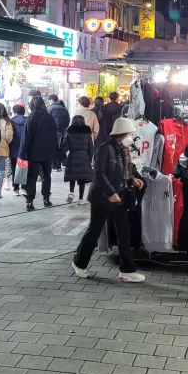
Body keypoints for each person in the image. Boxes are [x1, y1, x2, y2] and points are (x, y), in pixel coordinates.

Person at [72, 117, 145, 283]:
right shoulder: (105, 149)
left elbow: (124, 171)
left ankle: (127, 270)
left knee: (124, 232)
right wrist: (111, 192)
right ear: (120, 133)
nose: (129, 136)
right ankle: (79, 263)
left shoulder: (123, 150)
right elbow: (99, 173)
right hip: (102, 197)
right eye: (127, 133)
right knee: (94, 231)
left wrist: (132, 180)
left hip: (119, 197)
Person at [19, 96, 59, 210]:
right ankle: (46, 199)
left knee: (32, 177)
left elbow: (25, 138)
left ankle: (30, 202)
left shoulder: (31, 118)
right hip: (48, 153)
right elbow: (54, 136)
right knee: (46, 176)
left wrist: (21, 154)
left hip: (34, 154)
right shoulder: (50, 118)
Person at [62, 115, 94, 203]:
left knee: (73, 176)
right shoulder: (87, 133)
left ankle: (71, 192)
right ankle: (80, 199)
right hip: (84, 156)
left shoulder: (69, 132)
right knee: (82, 179)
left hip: (72, 155)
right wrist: (89, 159)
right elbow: (91, 147)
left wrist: (62, 157)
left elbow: (65, 147)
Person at [47, 94, 70, 172]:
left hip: (52, 132)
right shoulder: (64, 109)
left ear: (52, 100)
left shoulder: (49, 109)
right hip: (62, 131)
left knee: (53, 147)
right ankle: (59, 165)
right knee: (61, 147)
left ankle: (54, 166)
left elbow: (47, 120)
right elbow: (68, 120)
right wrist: (64, 128)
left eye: (49, 101)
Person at [8, 104, 26, 195]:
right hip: (24, 148)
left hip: (14, 148)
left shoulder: (11, 122)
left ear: (15, 112)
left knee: (14, 168)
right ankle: (24, 187)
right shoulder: (27, 121)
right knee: (23, 167)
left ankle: (15, 188)